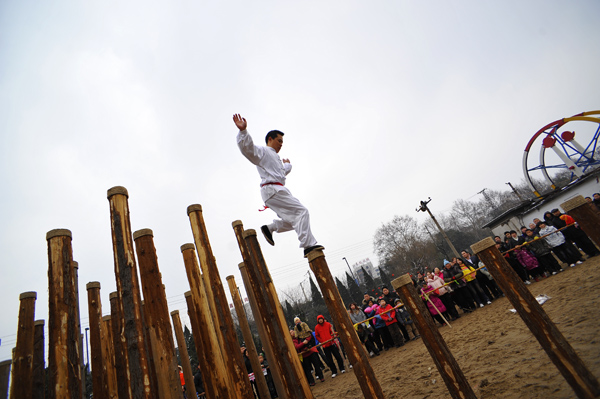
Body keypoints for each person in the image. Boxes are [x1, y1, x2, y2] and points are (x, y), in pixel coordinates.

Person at [234, 113, 323, 256]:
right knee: (302, 212)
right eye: (279, 141)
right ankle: (308, 245)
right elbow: (249, 149)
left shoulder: (275, 157)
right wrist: (243, 131)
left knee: (296, 220)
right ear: (270, 139)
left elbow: (280, 173)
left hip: (275, 190)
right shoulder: (263, 151)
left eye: (282, 142)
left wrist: (288, 166)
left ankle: (271, 228)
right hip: (273, 190)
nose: (281, 144)